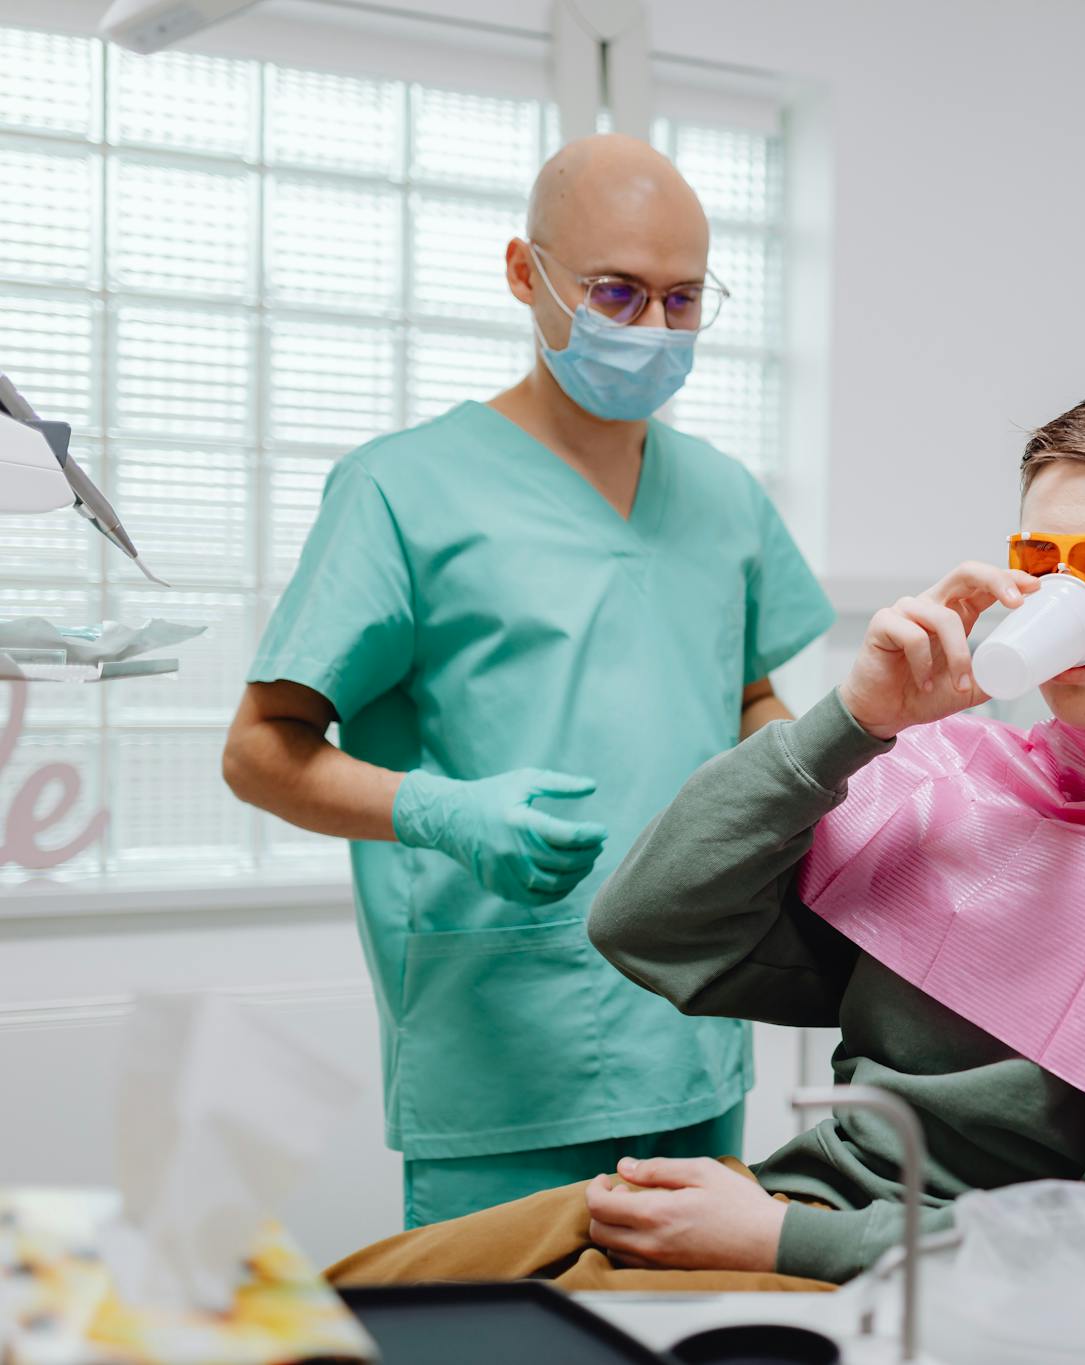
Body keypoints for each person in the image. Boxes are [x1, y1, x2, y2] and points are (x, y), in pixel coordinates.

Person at [325, 393, 1085, 1289]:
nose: (1073, 603)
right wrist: (853, 722)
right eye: (1040, 566)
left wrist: (793, 1238)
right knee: (335, 1304)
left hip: (926, 1285)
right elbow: (644, 924)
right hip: (779, 1207)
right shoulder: (960, 784)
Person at [222, 133, 834, 1228]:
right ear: (525, 274)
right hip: (500, 1038)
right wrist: (435, 808)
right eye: (616, 292)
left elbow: (741, 695)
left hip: (694, 1021)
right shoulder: (401, 492)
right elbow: (261, 749)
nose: (650, 329)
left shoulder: (723, 498)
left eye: (683, 300)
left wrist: (799, 786)